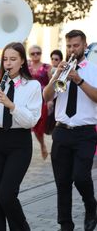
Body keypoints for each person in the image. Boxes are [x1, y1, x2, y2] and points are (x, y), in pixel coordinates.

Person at [0, 42, 42, 230]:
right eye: (5, 59)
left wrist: (11, 105)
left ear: (22, 61)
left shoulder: (32, 86)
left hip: (19, 143)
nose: (8, 63)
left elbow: (31, 121)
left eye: (13, 59)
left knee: (6, 195)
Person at [43, 30, 97, 231]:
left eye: (76, 45)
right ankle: (65, 224)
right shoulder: (60, 71)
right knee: (62, 182)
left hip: (85, 132)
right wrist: (57, 74)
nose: (72, 50)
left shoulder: (93, 69)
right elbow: (47, 97)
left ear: (84, 45)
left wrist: (79, 80)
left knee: (81, 177)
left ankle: (91, 206)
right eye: (69, 46)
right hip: (62, 131)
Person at [28, 45, 51, 160]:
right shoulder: (26, 67)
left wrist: (50, 100)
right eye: (33, 53)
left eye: (38, 53)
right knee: (32, 125)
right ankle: (42, 146)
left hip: (43, 99)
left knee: (39, 125)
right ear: (29, 55)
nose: (36, 55)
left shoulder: (47, 67)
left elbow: (52, 84)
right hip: (30, 99)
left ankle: (42, 146)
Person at [45, 49, 64, 135]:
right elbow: (49, 83)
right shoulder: (50, 70)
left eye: (56, 59)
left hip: (60, 94)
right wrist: (50, 100)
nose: (53, 61)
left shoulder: (64, 70)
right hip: (51, 94)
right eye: (52, 59)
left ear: (60, 60)